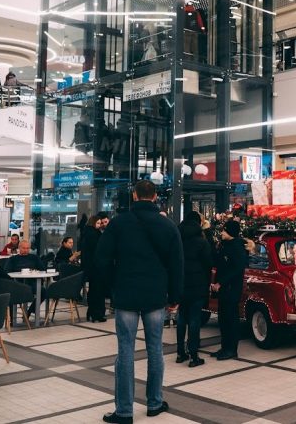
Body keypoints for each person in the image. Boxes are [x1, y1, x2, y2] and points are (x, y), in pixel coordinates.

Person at [97, 180, 183, 424]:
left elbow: (102, 259)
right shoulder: (168, 226)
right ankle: (154, 403)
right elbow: (177, 264)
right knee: (155, 349)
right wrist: (175, 297)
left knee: (125, 351)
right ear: (155, 197)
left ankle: (124, 411)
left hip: (126, 295)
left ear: (134, 196)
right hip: (155, 296)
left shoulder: (118, 223)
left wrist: (113, 286)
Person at [175, 211, 212, 367]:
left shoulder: (177, 239)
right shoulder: (201, 242)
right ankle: (194, 355)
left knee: (181, 317)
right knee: (194, 319)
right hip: (198, 285)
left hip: (181, 284)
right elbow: (208, 263)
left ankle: (180, 353)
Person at [211, 219, 247, 361]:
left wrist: (221, 282)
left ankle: (231, 349)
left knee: (231, 319)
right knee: (223, 319)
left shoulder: (237, 247)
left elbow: (237, 269)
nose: (222, 233)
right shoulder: (225, 245)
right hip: (223, 288)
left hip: (231, 289)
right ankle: (224, 347)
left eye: (224, 230)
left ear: (230, 232)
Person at [81, 212, 109, 322]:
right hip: (96, 267)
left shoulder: (87, 233)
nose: (100, 225)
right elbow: (98, 250)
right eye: (98, 223)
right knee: (98, 291)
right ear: (93, 223)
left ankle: (91, 313)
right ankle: (97, 314)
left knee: (93, 290)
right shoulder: (94, 234)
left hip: (91, 267)